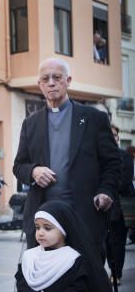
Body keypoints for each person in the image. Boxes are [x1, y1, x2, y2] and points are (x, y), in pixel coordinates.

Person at [13, 58, 120, 252]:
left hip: (85, 217)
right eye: (45, 78)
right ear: (40, 84)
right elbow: (19, 166)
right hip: (44, 220)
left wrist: (106, 191)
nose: (51, 82)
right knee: (46, 281)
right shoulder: (30, 123)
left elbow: (113, 163)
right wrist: (34, 171)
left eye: (57, 77)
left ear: (68, 80)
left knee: (85, 279)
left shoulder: (94, 118)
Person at [106, 125, 135, 284]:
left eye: (116, 135)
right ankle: (109, 272)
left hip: (120, 208)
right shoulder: (99, 156)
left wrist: (105, 187)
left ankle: (116, 274)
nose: (114, 137)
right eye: (111, 135)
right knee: (105, 243)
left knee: (117, 243)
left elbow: (124, 182)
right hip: (102, 210)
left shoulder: (125, 157)